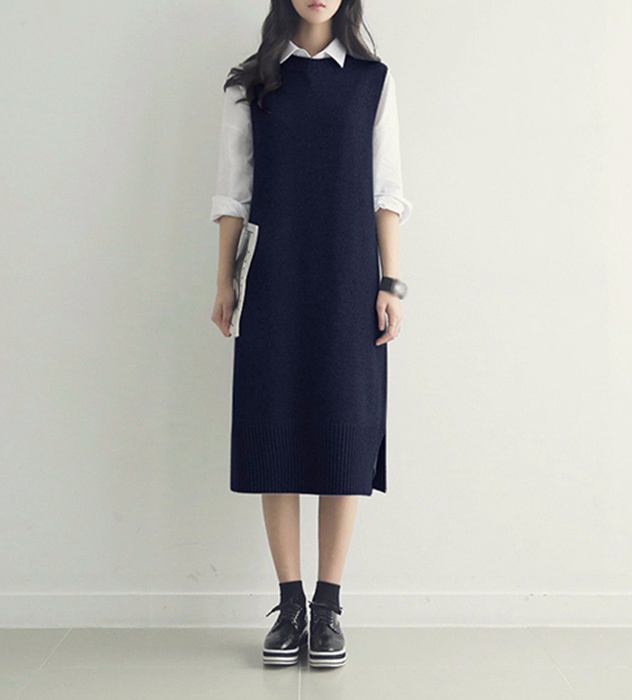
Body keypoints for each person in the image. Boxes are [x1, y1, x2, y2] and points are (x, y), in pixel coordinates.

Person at [209, 0, 412, 669]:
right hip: (273, 278)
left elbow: (387, 190)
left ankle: (328, 607)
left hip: (350, 280)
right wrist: (224, 283)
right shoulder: (251, 82)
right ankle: (289, 604)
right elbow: (233, 193)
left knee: (343, 433)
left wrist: (391, 282)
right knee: (277, 430)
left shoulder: (372, 80)